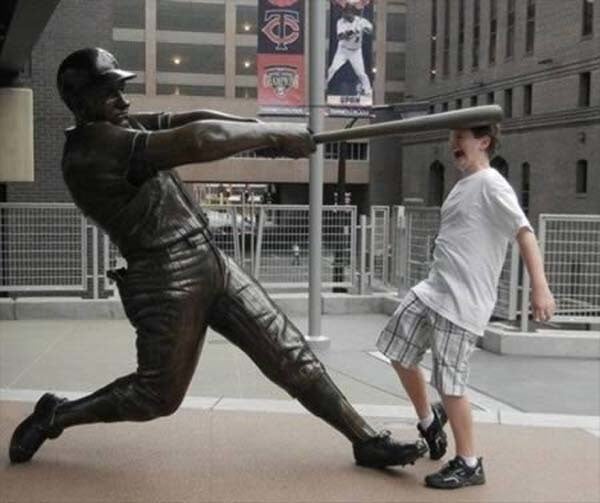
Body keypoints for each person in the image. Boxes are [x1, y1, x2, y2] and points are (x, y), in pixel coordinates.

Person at [9, 47, 427, 469]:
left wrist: (265, 130)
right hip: (165, 278)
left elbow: (191, 119)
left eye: (122, 90)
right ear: (80, 101)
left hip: (210, 260)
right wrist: (271, 137)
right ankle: (57, 415)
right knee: (156, 395)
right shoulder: (92, 148)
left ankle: (364, 439)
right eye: (111, 93)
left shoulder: (116, 123)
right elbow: (199, 140)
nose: (125, 101)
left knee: (289, 354)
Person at [376, 125, 556, 489]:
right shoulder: (462, 184)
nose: (453, 144)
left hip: (462, 302)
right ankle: (430, 423)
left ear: (483, 141)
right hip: (434, 289)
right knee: (397, 349)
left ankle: (470, 463)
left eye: (461, 136)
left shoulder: (492, 183)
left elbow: (524, 232)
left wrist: (541, 287)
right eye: (452, 137)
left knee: (451, 384)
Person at [327, 3, 373, 96]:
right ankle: (323, 86)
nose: (344, 15)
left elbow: (370, 30)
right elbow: (340, 37)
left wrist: (363, 28)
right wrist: (352, 32)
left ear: (351, 13)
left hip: (356, 51)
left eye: (347, 13)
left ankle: (368, 91)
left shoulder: (360, 21)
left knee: (361, 73)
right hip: (343, 50)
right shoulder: (340, 22)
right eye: (344, 13)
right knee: (332, 69)